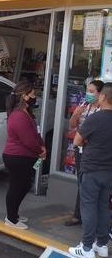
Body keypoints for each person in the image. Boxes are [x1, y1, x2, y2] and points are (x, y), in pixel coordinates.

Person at [68, 83, 112, 258]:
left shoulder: (95, 118)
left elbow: (77, 141)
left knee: (88, 207)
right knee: (102, 207)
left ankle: (86, 248)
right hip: (109, 171)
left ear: (103, 97)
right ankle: (101, 244)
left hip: (92, 168)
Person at [2, 80, 46, 230]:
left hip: (25, 157)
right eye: (33, 94)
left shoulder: (27, 113)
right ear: (24, 96)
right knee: (17, 186)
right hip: (17, 158)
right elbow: (28, 140)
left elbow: (35, 133)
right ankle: (11, 218)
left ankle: (14, 214)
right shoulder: (18, 116)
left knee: (24, 185)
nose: (35, 97)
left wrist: (42, 147)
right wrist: (40, 151)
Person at [65, 80, 104, 227]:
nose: (89, 94)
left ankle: (92, 217)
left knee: (92, 184)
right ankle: (78, 215)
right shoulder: (84, 106)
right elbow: (72, 126)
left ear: (101, 94)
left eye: (92, 91)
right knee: (81, 182)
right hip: (81, 151)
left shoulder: (103, 111)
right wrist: (75, 115)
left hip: (95, 152)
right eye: (88, 90)